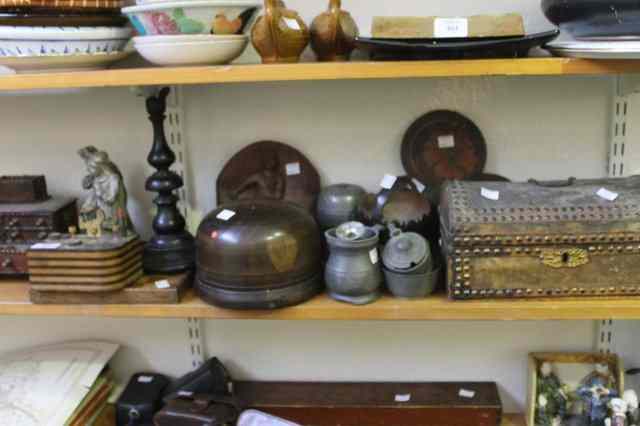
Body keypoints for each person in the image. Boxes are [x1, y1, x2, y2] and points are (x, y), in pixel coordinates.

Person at [78, 146, 135, 238]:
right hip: (101, 211)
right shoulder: (97, 178)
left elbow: (111, 199)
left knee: (116, 225)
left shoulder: (113, 178)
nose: (88, 170)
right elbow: (92, 195)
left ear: (100, 167)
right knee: (89, 218)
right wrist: (87, 206)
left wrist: (99, 190)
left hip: (113, 209)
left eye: (91, 168)